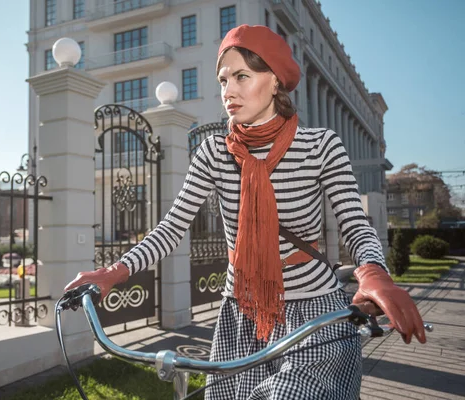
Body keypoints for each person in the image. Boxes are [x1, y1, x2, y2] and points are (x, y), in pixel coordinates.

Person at [64, 24, 426, 399]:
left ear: (274, 83)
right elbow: (173, 226)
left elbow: (355, 224)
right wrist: (115, 271)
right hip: (240, 317)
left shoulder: (321, 146)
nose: (228, 91)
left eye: (241, 76)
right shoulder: (213, 153)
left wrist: (373, 272)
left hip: (314, 317)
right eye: (223, 80)